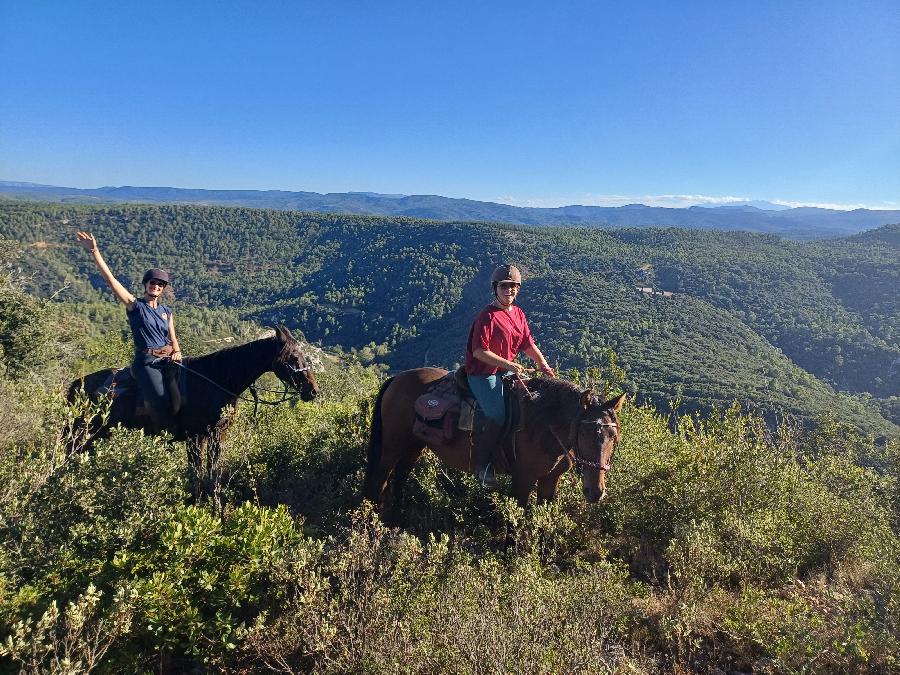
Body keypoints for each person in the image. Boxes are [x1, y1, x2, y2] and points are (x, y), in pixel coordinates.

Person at [75, 231, 183, 433]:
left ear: (164, 288)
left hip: (168, 359)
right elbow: (111, 280)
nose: (156, 286)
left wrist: (177, 352)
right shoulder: (135, 305)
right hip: (146, 362)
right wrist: (94, 251)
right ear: (146, 284)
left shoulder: (166, 312)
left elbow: (172, 338)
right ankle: (163, 436)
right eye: (153, 282)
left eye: (160, 284)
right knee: (160, 401)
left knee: (184, 393)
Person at [464, 264, 555, 488]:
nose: (510, 290)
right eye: (505, 286)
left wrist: (542, 364)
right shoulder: (487, 316)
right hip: (483, 374)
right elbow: (479, 351)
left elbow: (527, 343)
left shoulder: (518, 313)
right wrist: (510, 365)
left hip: (505, 371)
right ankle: (483, 466)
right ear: (495, 288)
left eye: (514, 286)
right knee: (498, 415)